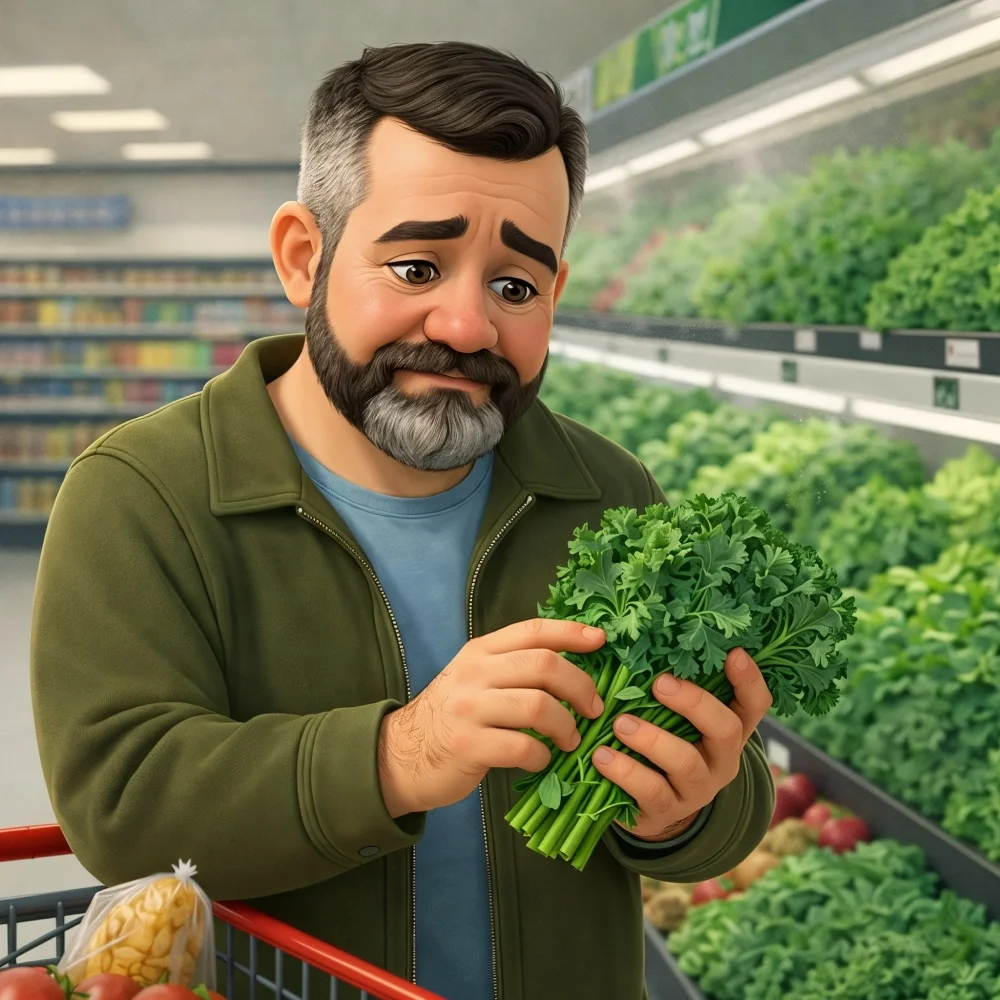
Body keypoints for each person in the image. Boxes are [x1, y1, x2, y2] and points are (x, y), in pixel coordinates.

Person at [30, 41, 774, 1000]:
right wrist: (403, 752)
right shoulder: (143, 493)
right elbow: (123, 809)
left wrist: (685, 811)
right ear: (305, 257)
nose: (467, 326)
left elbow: (722, 808)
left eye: (515, 287)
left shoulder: (603, 489)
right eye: (417, 266)